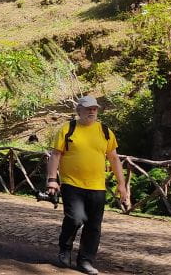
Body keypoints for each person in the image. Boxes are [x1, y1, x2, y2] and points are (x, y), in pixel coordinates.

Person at [46, 96, 129, 275]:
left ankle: (85, 261)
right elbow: (55, 155)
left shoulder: (105, 131)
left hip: (97, 187)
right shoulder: (68, 128)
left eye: (94, 108)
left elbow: (114, 159)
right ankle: (65, 249)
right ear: (79, 111)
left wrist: (122, 185)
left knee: (93, 226)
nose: (92, 111)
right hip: (71, 183)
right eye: (88, 108)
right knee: (76, 218)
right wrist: (52, 179)